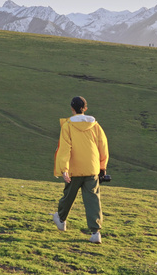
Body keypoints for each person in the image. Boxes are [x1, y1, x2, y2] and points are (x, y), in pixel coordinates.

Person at [52, 96, 109, 244]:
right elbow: (103, 146)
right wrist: (102, 167)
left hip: (74, 168)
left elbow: (65, 149)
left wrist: (64, 169)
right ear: (85, 108)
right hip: (92, 167)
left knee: (68, 196)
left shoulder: (68, 126)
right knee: (93, 200)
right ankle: (95, 233)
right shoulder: (95, 125)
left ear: (72, 109)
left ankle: (61, 219)